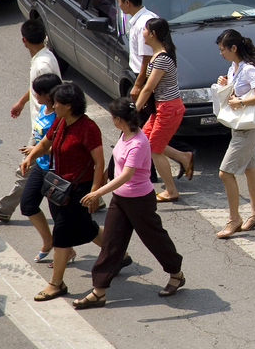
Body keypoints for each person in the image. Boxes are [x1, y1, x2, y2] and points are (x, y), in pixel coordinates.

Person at [72, 98, 185, 308]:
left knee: (154, 239)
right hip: (120, 200)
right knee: (112, 242)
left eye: (112, 116)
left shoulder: (139, 142)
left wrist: (98, 193)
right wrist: (103, 181)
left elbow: (126, 175)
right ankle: (99, 291)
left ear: (118, 119)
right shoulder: (125, 134)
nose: (111, 119)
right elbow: (116, 163)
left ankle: (176, 274)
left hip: (140, 201)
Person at [21, 84, 105, 302]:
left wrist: (95, 192)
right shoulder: (59, 121)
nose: (53, 105)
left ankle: (56, 283)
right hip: (58, 186)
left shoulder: (88, 128)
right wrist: (30, 157)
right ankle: (118, 253)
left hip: (79, 190)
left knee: (61, 233)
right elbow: (46, 142)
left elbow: (99, 162)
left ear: (70, 106)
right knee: (84, 227)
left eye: (57, 102)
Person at [0, 19, 61, 222]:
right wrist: (23, 102)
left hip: (45, 126)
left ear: (23, 40)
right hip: (42, 124)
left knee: (27, 167)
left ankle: (3, 207)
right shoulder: (43, 57)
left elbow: (50, 93)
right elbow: (37, 87)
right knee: (33, 167)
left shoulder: (42, 65)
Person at [214, 30, 255, 238]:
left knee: (225, 173)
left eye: (223, 49)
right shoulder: (234, 67)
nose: (221, 53)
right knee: (250, 169)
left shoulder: (249, 69)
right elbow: (236, 88)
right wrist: (225, 82)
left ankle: (234, 219)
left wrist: (241, 102)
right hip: (239, 126)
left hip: (247, 129)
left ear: (234, 48)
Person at [134, 19, 187, 202]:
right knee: (147, 142)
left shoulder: (162, 58)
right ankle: (184, 157)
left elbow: (148, 88)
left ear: (153, 34)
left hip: (168, 108)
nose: (143, 33)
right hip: (161, 108)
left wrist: (133, 112)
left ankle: (171, 190)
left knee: (155, 149)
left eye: (145, 30)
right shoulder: (158, 54)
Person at [18, 73, 62, 261]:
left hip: (55, 170)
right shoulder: (44, 108)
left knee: (63, 217)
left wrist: (37, 149)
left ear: (49, 94)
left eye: (38, 93)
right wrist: (33, 152)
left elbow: (62, 148)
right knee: (27, 204)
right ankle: (49, 241)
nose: (35, 96)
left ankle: (65, 250)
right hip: (40, 165)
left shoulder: (59, 116)